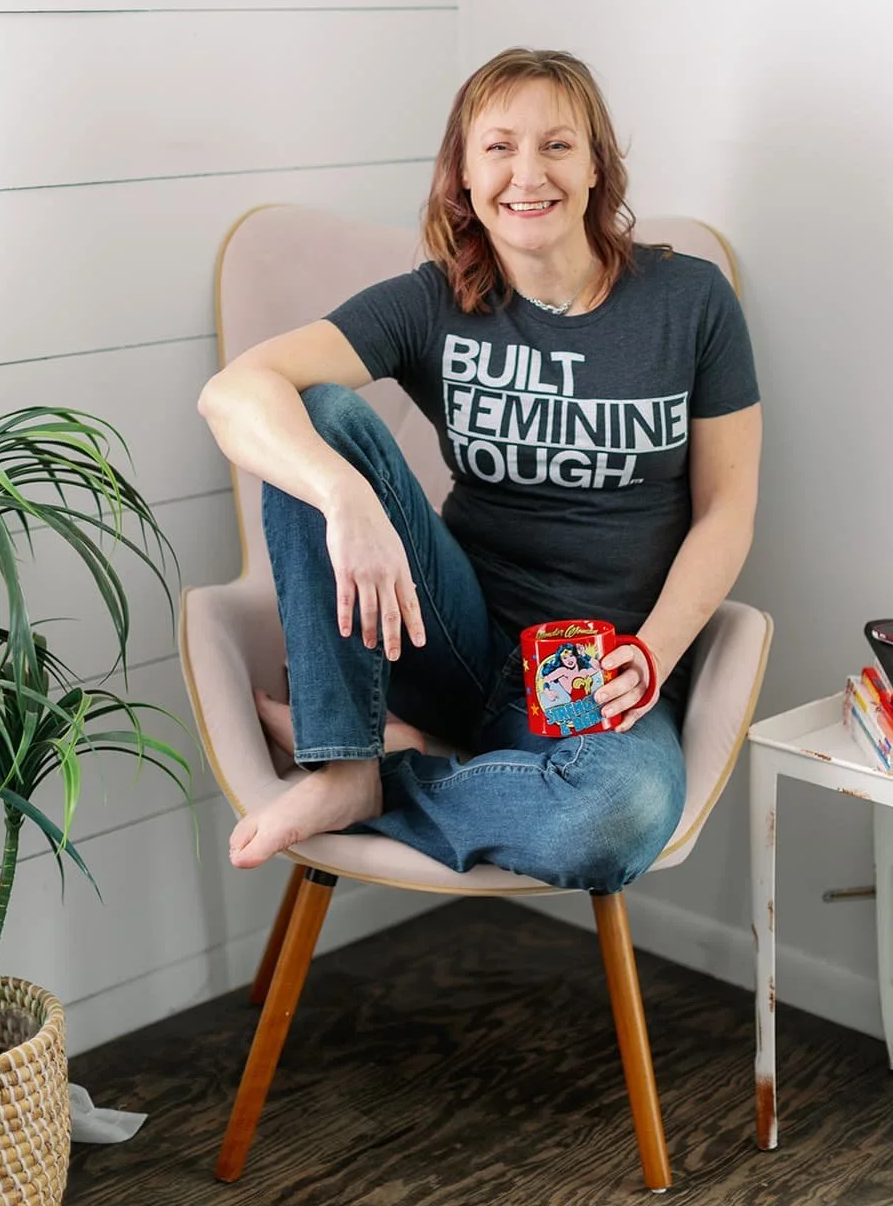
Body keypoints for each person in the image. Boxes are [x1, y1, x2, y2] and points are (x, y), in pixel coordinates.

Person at [198, 47, 762, 893]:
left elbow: (726, 511)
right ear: (461, 174)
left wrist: (650, 654)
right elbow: (234, 393)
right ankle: (345, 761)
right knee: (317, 416)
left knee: (618, 816)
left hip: (596, 679)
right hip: (449, 641)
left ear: (597, 164)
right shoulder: (434, 300)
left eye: (556, 145)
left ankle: (390, 780)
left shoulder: (689, 302)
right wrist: (344, 497)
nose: (526, 173)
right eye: (498, 147)